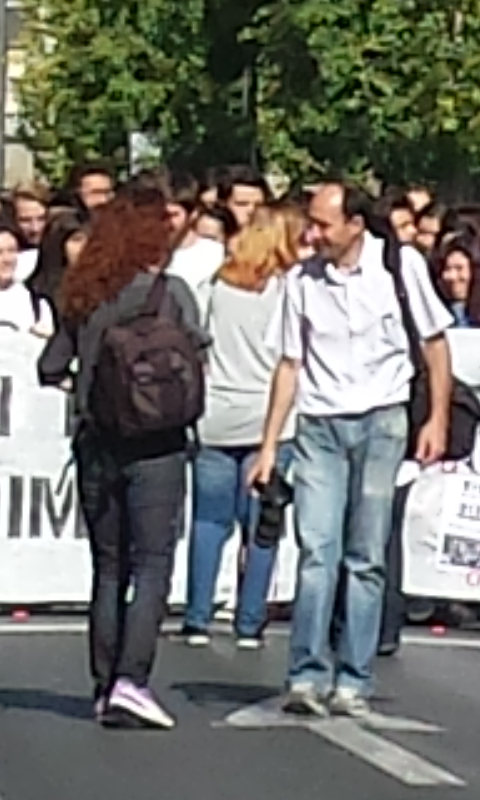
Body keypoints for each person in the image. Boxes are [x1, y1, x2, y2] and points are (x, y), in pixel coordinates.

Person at [248, 183, 453, 719]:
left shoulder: (400, 266)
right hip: (319, 424)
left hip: (383, 420)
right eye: (311, 224)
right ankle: (306, 673)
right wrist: (270, 445)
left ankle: (354, 677)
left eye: (322, 225)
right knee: (318, 552)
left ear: (356, 225)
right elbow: (289, 364)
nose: (312, 235)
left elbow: (435, 343)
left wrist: (437, 417)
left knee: (366, 555)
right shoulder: (300, 281)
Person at [41, 187, 206, 729]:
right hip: (159, 445)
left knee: (108, 566)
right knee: (153, 563)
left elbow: (49, 365)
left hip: (97, 440)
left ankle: (103, 681)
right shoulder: (169, 291)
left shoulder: (83, 292)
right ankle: (134, 681)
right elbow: (197, 353)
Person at [187, 205, 296, 650]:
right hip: (269, 418)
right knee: (262, 526)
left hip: (216, 415)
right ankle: (249, 622)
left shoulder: (213, 286)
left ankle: (196, 618)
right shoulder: (287, 290)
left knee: (209, 521)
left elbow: (194, 340)